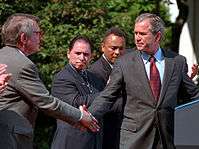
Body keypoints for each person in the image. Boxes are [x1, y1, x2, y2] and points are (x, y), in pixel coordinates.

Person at [89, 13, 199, 149]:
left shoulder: (177, 62)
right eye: (136, 33)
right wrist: (87, 116)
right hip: (134, 139)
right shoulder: (124, 62)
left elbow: (194, 94)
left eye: (142, 34)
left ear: (157, 36)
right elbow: (107, 96)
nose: (137, 38)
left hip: (166, 139)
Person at [0, 13, 99, 149]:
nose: (41, 37)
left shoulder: (3, 55)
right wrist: (80, 116)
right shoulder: (23, 65)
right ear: (23, 38)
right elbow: (46, 102)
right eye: (38, 33)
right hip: (10, 138)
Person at [51, 36, 102, 149]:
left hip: (93, 141)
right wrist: (107, 93)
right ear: (68, 53)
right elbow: (76, 102)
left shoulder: (95, 78)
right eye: (77, 53)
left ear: (91, 56)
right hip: (71, 141)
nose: (82, 57)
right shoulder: (62, 78)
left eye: (86, 54)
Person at [88, 27, 126, 149]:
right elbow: (98, 103)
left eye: (121, 48)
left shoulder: (126, 66)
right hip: (106, 134)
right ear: (103, 47)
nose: (117, 52)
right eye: (113, 48)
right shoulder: (95, 72)